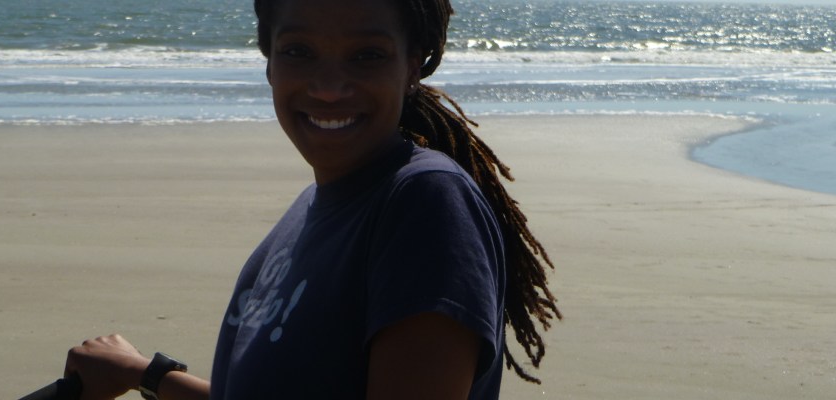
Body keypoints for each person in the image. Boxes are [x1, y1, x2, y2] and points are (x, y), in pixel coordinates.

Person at [63, 0, 560, 399]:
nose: (328, 88)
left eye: (367, 55)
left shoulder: (426, 203)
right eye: (299, 51)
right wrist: (145, 374)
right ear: (269, 64)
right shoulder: (309, 211)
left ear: (413, 65)